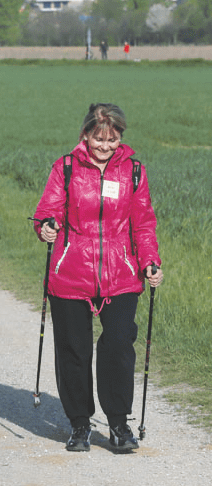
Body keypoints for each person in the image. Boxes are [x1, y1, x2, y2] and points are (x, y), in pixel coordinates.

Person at [32, 103, 163, 453]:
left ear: (121, 137)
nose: (105, 146)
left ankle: (119, 424)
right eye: (98, 138)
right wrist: (45, 227)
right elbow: (47, 211)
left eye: (113, 139)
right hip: (70, 271)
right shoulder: (67, 167)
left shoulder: (133, 171)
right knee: (73, 351)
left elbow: (144, 222)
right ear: (85, 135)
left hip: (121, 273)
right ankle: (79, 425)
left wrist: (150, 260)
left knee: (119, 345)